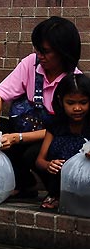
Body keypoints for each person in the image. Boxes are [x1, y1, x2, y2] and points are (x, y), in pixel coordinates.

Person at [0, 17, 82, 199]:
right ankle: (23, 184)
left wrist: (18, 138)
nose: (40, 55)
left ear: (63, 52)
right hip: (23, 128)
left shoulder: (74, 81)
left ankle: (56, 193)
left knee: (33, 153)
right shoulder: (31, 63)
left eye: (45, 51)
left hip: (52, 138)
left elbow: (61, 128)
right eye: (37, 49)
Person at [35, 74, 90, 210]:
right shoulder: (56, 125)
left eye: (83, 103)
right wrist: (49, 165)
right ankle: (57, 195)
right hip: (60, 181)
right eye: (71, 103)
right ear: (61, 101)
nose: (77, 108)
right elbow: (39, 160)